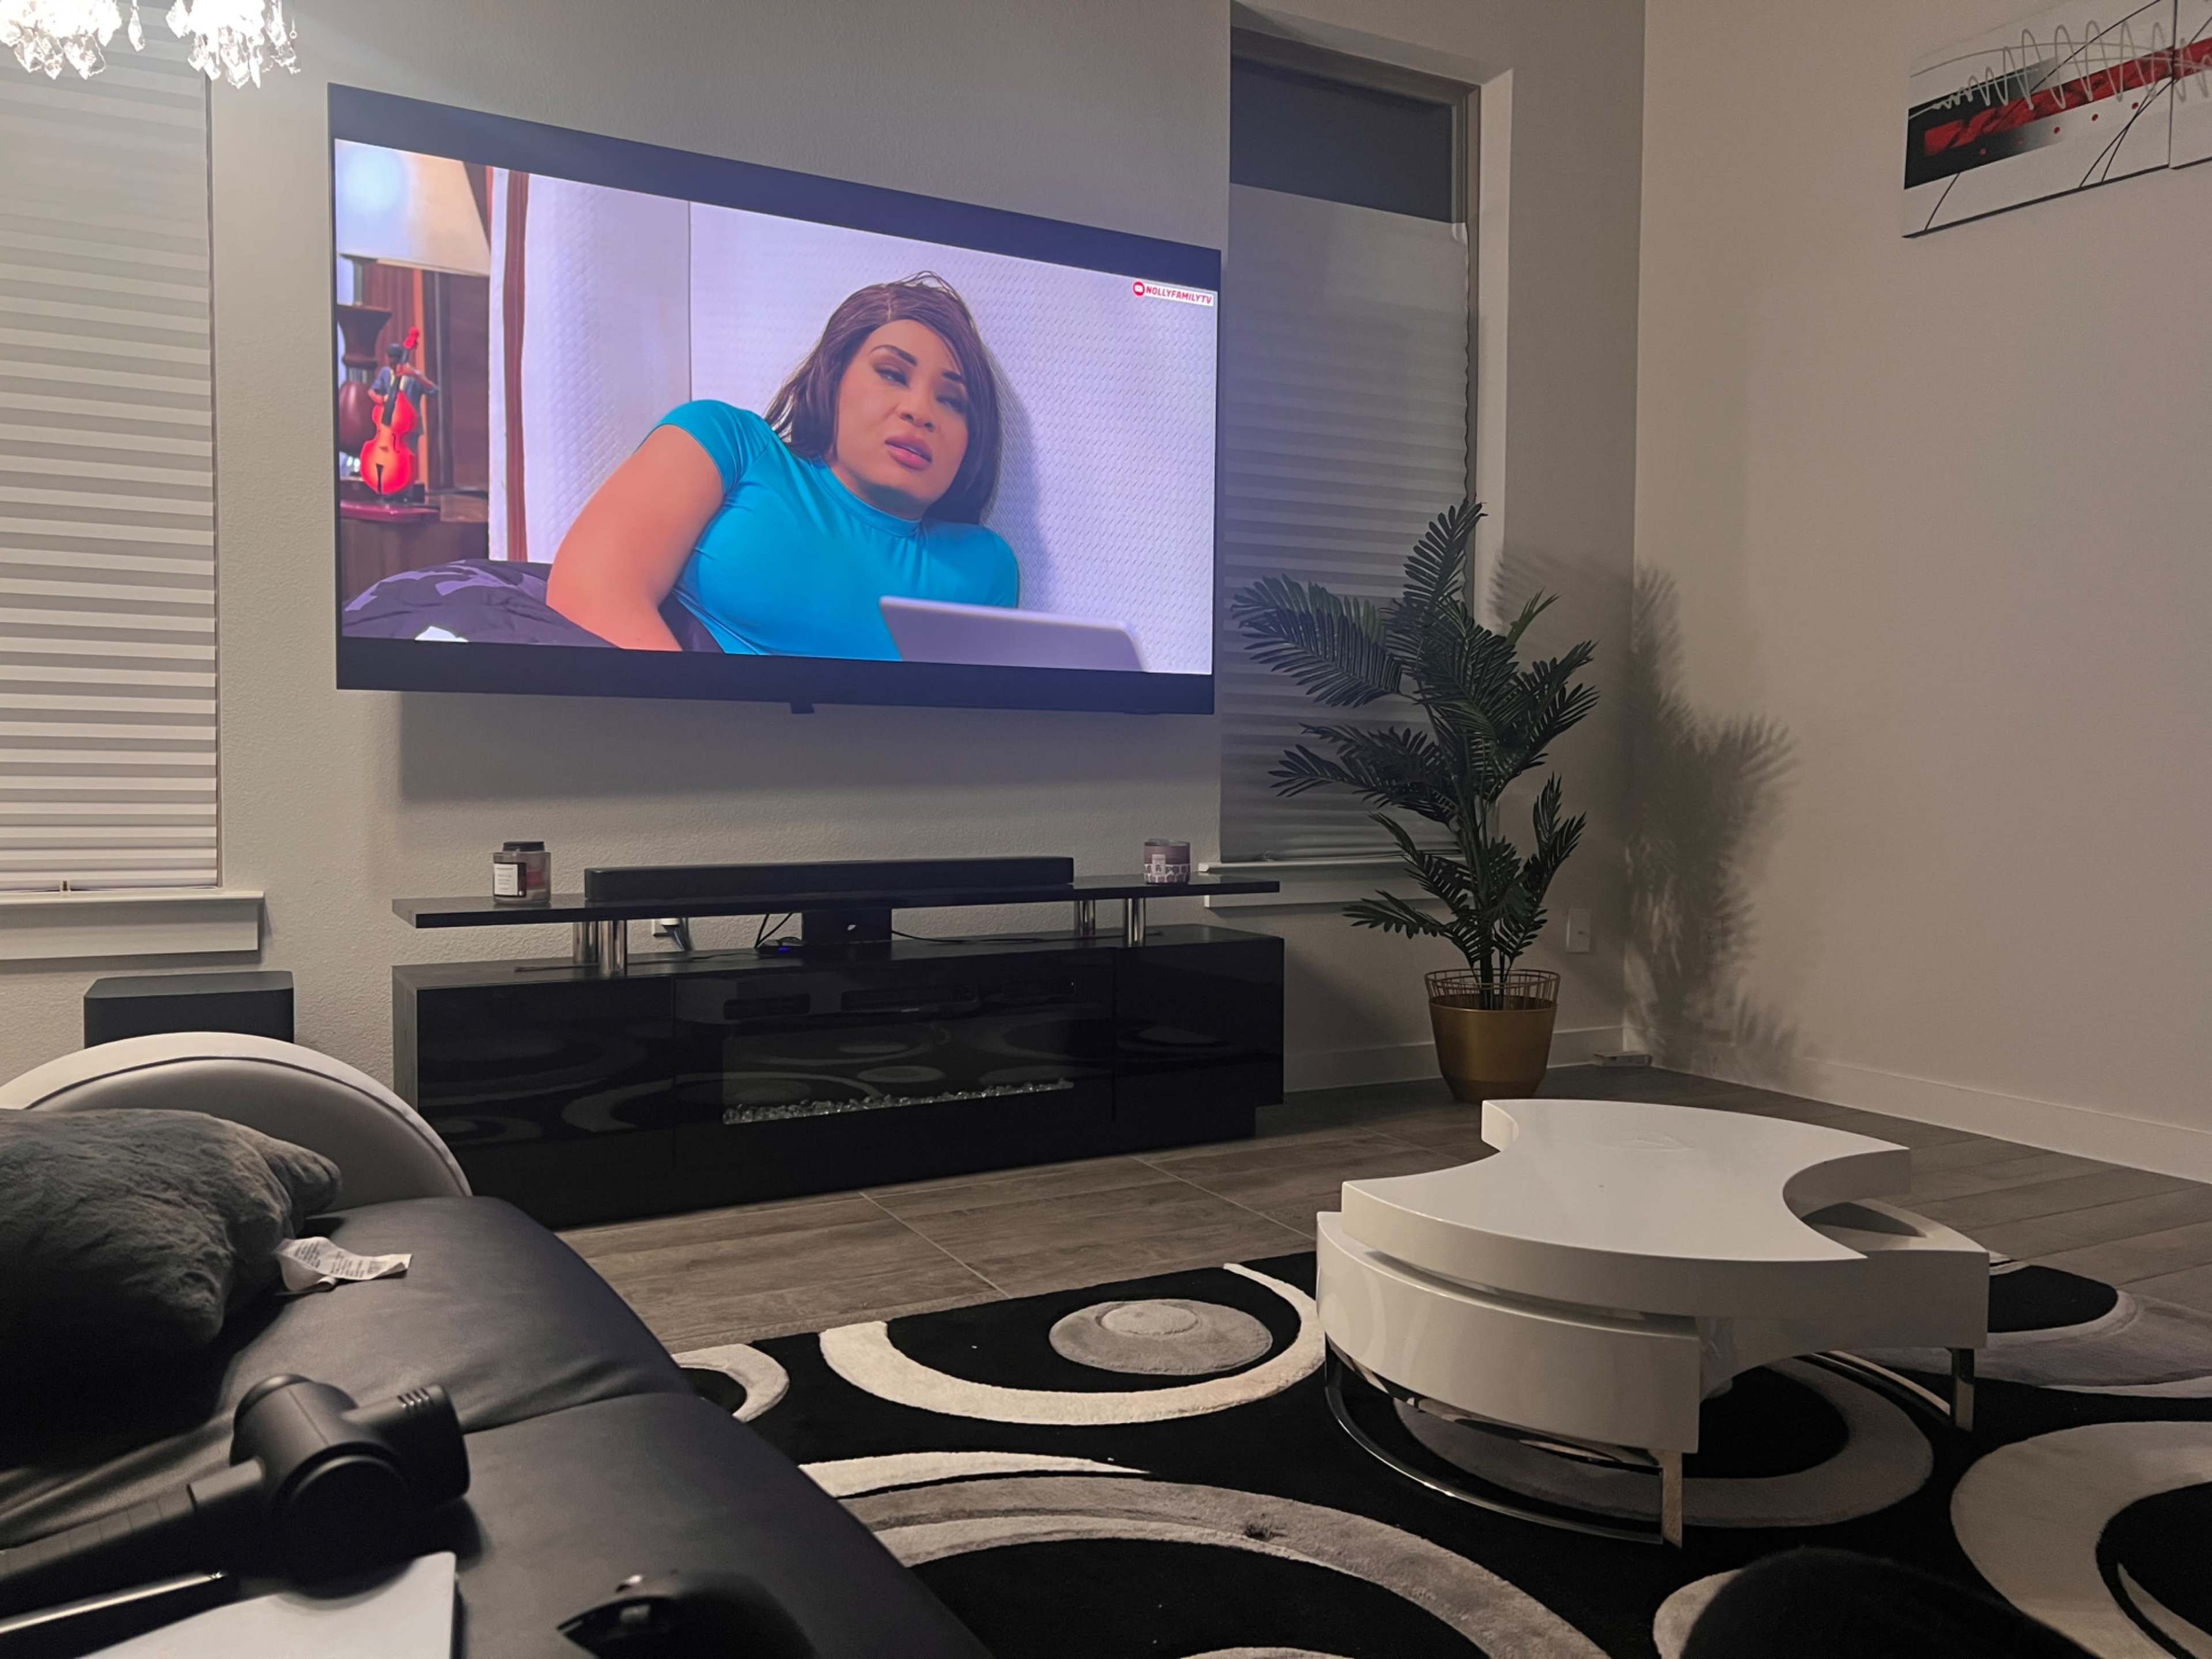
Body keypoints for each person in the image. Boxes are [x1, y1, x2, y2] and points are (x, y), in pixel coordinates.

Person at [546, 273, 1016, 656]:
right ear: (833, 380)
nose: (920, 410)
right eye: (892, 374)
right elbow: (593, 591)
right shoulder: (726, 441)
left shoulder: (985, 567)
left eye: (953, 401)